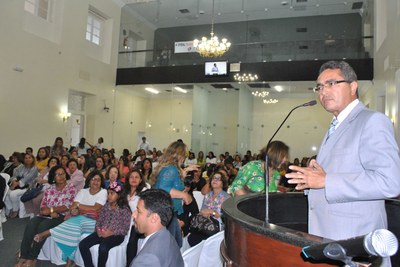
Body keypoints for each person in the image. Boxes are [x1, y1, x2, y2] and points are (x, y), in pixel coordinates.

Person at [286, 61, 400, 243]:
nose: (323, 92)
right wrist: (311, 182)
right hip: (329, 234)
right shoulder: (336, 124)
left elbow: (390, 182)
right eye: (319, 87)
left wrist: (325, 180)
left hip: (356, 240)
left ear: (353, 86)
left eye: (331, 83)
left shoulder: (372, 121)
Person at [34, 171, 107, 267]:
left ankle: (48, 233)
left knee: (76, 221)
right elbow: (73, 206)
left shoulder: (103, 192)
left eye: (98, 180)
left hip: (94, 221)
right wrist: (77, 209)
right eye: (93, 179)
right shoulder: (83, 191)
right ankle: (70, 261)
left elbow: (96, 208)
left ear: (101, 182)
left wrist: (79, 207)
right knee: (75, 228)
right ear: (89, 181)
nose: (95, 182)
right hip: (78, 219)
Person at [15, 166, 77, 267]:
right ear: (53, 177)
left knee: (42, 226)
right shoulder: (49, 189)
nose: (61, 176)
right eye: (58, 174)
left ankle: (32, 257)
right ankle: (23, 256)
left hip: (61, 217)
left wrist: (52, 210)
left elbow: (67, 206)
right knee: (31, 223)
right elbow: (43, 208)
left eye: (63, 174)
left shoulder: (71, 188)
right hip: (46, 215)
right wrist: (49, 212)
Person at [79, 181, 131, 267]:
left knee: (103, 248)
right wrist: (98, 230)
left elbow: (125, 229)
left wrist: (111, 232)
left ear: (119, 195)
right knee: (83, 245)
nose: (109, 196)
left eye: (112, 193)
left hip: (116, 235)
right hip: (102, 232)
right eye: (108, 193)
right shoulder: (106, 206)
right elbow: (99, 220)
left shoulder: (124, 210)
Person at [152, 141, 194, 247]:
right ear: (179, 155)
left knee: (175, 243)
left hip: (170, 211)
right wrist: (184, 195)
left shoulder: (172, 168)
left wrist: (183, 174)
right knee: (172, 245)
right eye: (184, 155)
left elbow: (173, 184)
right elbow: (163, 188)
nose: (185, 158)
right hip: (166, 211)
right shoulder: (171, 169)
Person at [130, 189, 184, 267]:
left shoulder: (147, 259)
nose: (133, 215)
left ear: (154, 218)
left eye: (138, 211)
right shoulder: (167, 236)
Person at [188, 171, 230, 246]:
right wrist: (205, 213)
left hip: (217, 227)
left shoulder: (227, 198)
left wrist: (212, 212)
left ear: (223, 183)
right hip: (204, 223)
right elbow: (201, 211)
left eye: (218, 179)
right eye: (213, 178)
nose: (215, 180)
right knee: (192, 238)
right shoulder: (208, 195)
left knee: (199, 239)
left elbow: (225, 219)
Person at [125, 169, 148, 266]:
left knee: (132, 238)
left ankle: (130, 264)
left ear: (140, 180)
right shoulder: (124, 191)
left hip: (137, 222)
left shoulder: (144, 191)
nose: (134, 179)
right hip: (124, 221)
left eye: (136, 177)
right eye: (131, 177)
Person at [5, 153, 38, 218]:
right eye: (26, 158)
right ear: (24, 159)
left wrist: (16, 183)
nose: (28, 159)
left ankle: (15, 210)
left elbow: (26, 179)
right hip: (17, 185)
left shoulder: (34, 168)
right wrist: (14, 180)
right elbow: (15, 175)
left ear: (33, 159)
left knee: (13, 194)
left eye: (29, 158)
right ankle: (10, 207)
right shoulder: (21, 166)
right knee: (6, 192)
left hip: (28, 187)